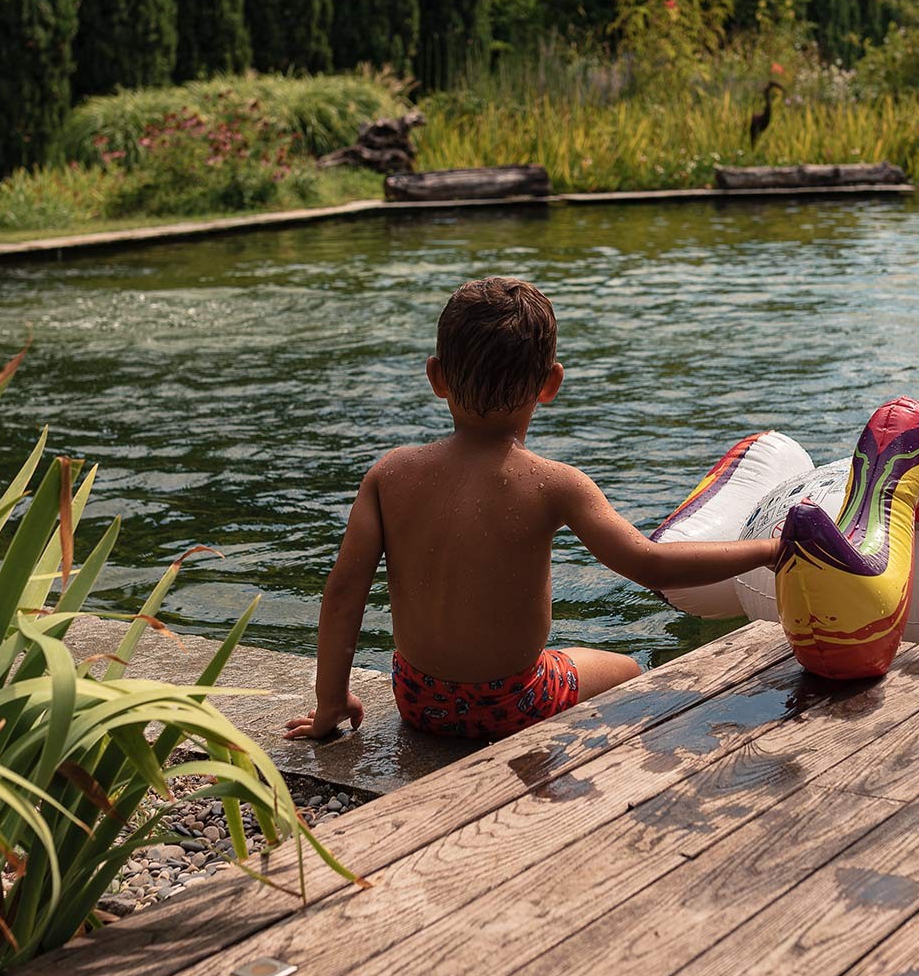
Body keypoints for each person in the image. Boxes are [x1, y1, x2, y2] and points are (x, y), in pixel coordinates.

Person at [285, 276, 783, 743]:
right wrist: (768, 549)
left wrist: (330, 704)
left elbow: (344, 593)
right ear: (551, 383)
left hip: (418, 700)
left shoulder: (388, 474)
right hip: (515, 702)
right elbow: (650, 564)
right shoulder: (556, 484)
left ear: (436, 377)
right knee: (627, 670)